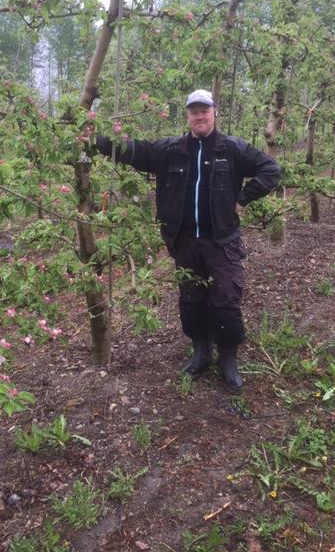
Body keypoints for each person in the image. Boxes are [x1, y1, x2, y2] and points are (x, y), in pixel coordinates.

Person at [93, 89, 281, 391]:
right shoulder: (171, 150)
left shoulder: (231, 149)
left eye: (204, 110)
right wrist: (95, 141)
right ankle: (201, 352)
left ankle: (228, 359)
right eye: (194, 111)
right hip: (184, 241)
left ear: (214, 113)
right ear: (187, 116)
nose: (199, 116)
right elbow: (133, 150)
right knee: (191, 298)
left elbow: (271, 170)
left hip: (222, 240)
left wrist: (244, 198)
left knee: (226, 299)